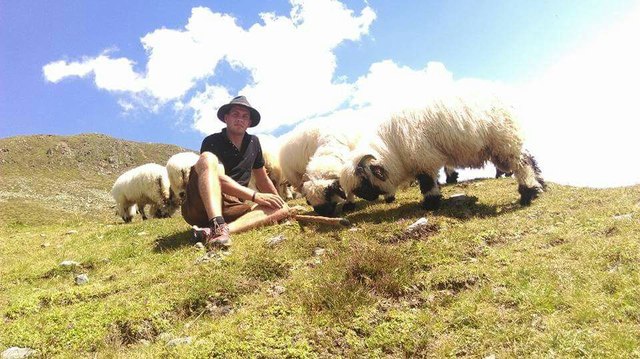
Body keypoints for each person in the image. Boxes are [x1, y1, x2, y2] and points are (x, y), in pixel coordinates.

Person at [181, 95, 286, 248]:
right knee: (207, 158)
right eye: (235, 114)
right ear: (226, 118)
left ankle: (214, 232)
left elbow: (262, 179)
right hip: (200, 203)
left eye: (245, 116)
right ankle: (217, 224)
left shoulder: (254, 143)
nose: (240, 119)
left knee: (278, 210)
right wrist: (254, 196)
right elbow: (216, 179)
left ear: (249, 123)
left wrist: (280, 204)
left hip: (233, 208)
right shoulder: (212, 141)